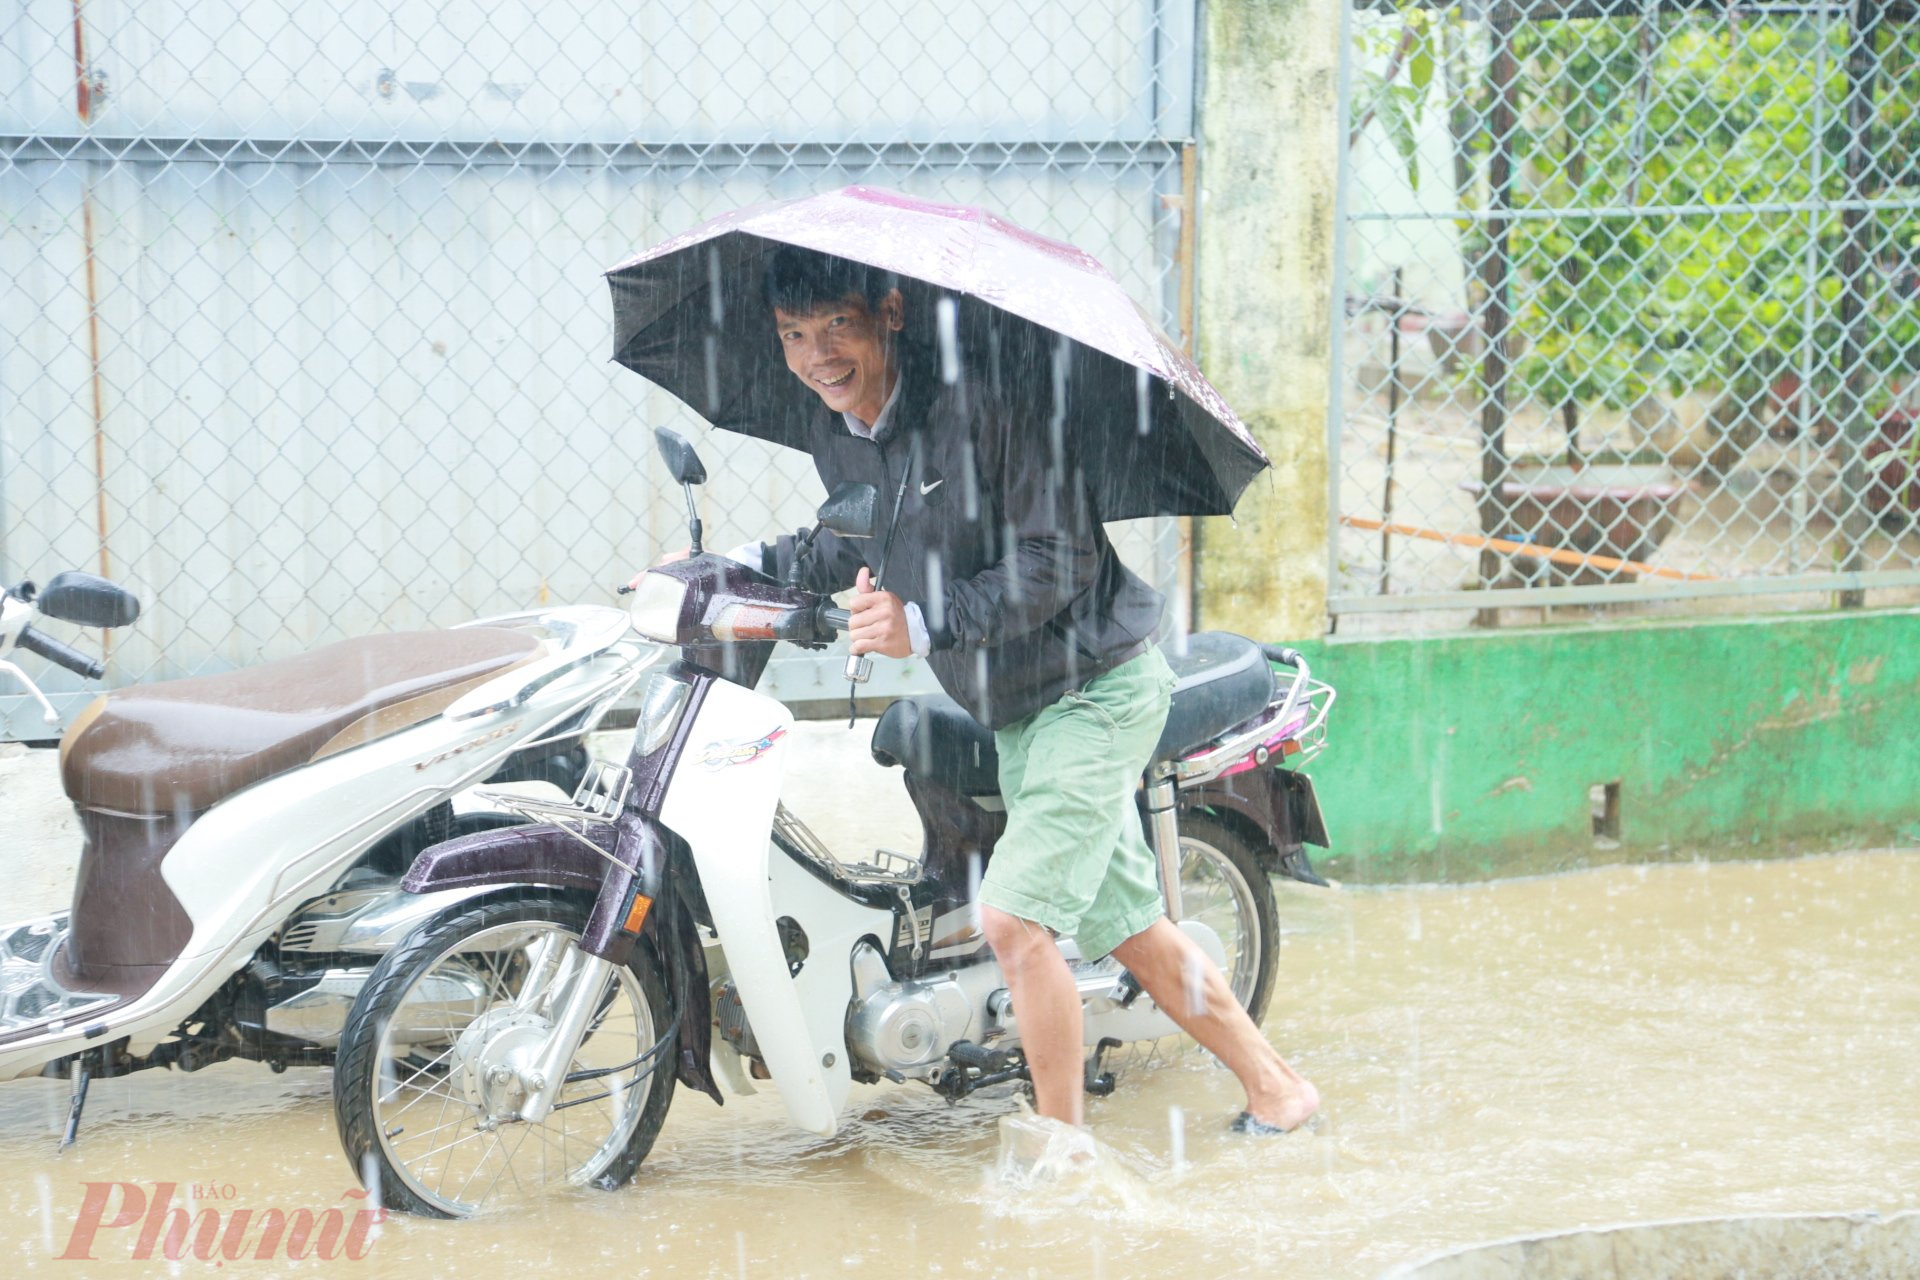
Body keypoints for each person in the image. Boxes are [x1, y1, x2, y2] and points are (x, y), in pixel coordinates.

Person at [760, 247, 1319, 1136]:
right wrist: (741, 574)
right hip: (1016, 706)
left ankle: (1062, 1157)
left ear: (890, 315)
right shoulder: (838, 428)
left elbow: (1058, 558)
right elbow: (848, 536)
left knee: (1014, 922)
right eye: (794, 334)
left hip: (1092, 688)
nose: (816, 354)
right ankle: (1279, 1090)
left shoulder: (990, 405)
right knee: (1131, 925)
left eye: (838, 326)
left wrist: (926, 625)